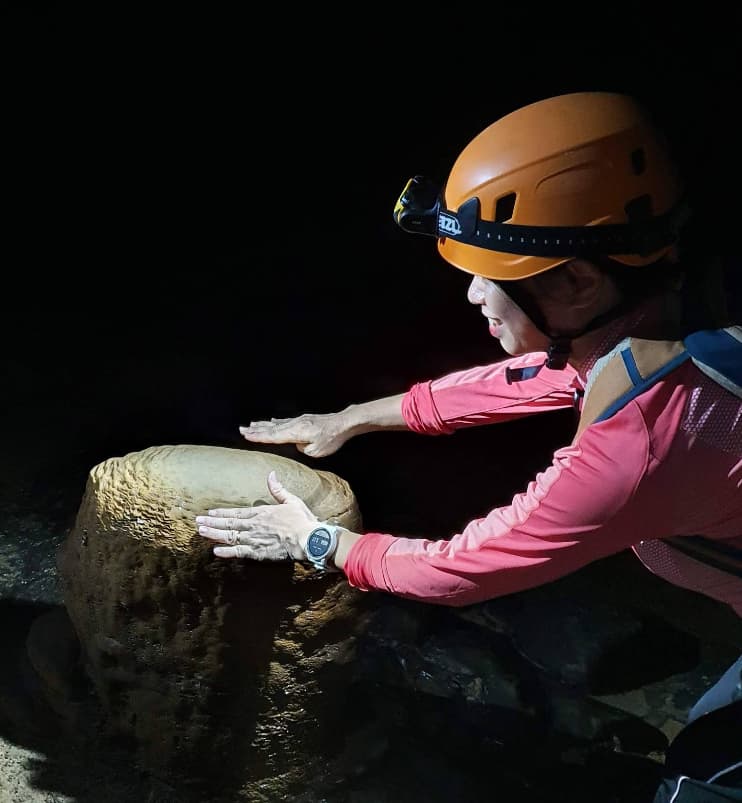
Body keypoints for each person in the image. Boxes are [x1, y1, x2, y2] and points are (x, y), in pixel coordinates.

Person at [195, 91, 742, 799]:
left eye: (495, 275)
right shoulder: (687, 304)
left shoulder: (642, 441)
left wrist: (317, 541)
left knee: (701, 780)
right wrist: (351, 419)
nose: (474, 294)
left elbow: (464, 567)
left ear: (577, 280)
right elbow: (535, 379)